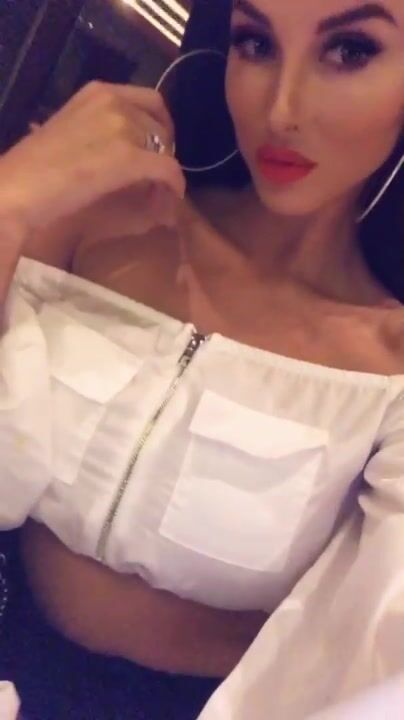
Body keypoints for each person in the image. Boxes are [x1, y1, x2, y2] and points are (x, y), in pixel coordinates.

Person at [0, 0, 403, 717]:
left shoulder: (388, 370)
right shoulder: (96, 211)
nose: (281, 110)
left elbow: (362, 665)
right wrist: (10, 196)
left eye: (349, 50)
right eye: (256, 43)